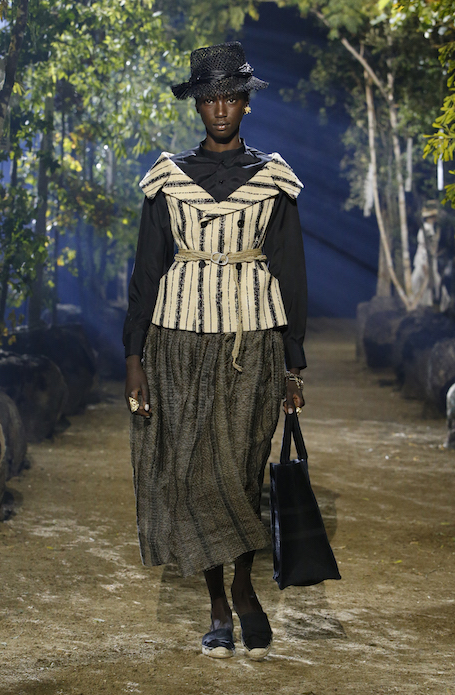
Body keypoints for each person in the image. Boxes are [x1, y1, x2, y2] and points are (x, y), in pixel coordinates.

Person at [123, 41, 307, 660]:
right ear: (197, 106)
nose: (220, 108)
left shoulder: (274, 179)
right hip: (176, 342)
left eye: (230, 97)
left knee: (242, 470)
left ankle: (245, 586)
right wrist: (133, 358)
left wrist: (294, 365)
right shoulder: (167, 179)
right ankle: (219, 606)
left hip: (254, 342)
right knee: (194, 473)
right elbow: (146, 272)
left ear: (246, 104)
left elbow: (291, 273)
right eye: (209, 98)